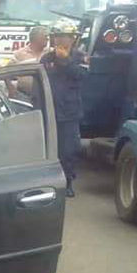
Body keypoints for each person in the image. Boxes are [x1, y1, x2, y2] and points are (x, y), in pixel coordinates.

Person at [41, 19, 86, 198]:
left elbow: (83, 76)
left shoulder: (80, 57)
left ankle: (67, 182)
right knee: (49, 150)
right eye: (58, 36)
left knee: (68, 150)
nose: (61, 40)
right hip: (49, 112)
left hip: (69, 113)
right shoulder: (46, 59)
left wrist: (65, 61)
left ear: (73, 39)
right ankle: (48, 183)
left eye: (65, 36)